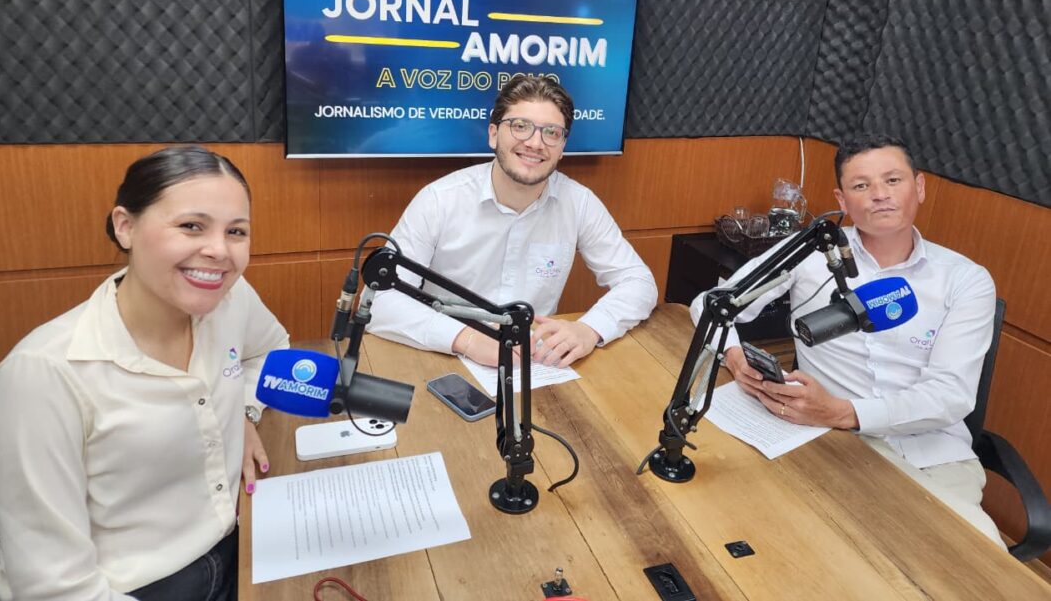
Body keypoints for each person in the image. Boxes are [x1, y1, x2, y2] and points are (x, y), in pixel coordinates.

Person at [0, 146, 291, 600]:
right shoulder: (40, 376)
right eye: (191, 226)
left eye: (236, 231)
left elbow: (269, 351)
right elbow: (54, 589)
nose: (219, 251)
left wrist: (244, 413)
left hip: (236, 546)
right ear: (125, 226)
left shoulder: (232, 299)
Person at [691, 133, 1004, 546]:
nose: (879, 195)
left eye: (893, 181)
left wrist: (842, 411)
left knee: (970, 568)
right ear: (841, 201)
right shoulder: (811, 253)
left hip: (932, 457)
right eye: (861, 186)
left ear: (920, 187)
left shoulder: (965, 280)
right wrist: (733, 356)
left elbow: (950, 396)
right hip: (830, 448)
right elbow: (711, 303)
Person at [367, 75, 658, 368]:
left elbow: (638, 282)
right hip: (441, 357)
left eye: (552, 133)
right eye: (520, 127)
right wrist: (467, 339)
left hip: (533, 366)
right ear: (493, 134)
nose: (535, 143)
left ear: (562, 145)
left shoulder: (579, 203)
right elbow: (381, 303)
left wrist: (589, 329)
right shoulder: (439, 200)